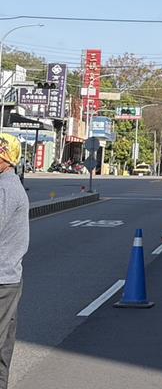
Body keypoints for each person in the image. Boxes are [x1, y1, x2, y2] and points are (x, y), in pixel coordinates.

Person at [0, 134, 28, 389]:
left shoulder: (5, 189)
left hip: (1, 281)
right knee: (3, 348)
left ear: (6, 158)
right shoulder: (9, 185)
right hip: (9, 278)